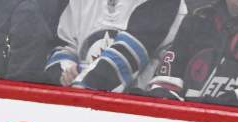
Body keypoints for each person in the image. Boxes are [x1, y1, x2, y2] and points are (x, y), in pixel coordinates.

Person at [44, 0, 185, 91]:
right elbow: (65, 44)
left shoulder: (164, 4)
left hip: (134, 111)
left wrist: (80, 89)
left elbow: (127, 55)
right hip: (80, 101)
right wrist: (66, 70)